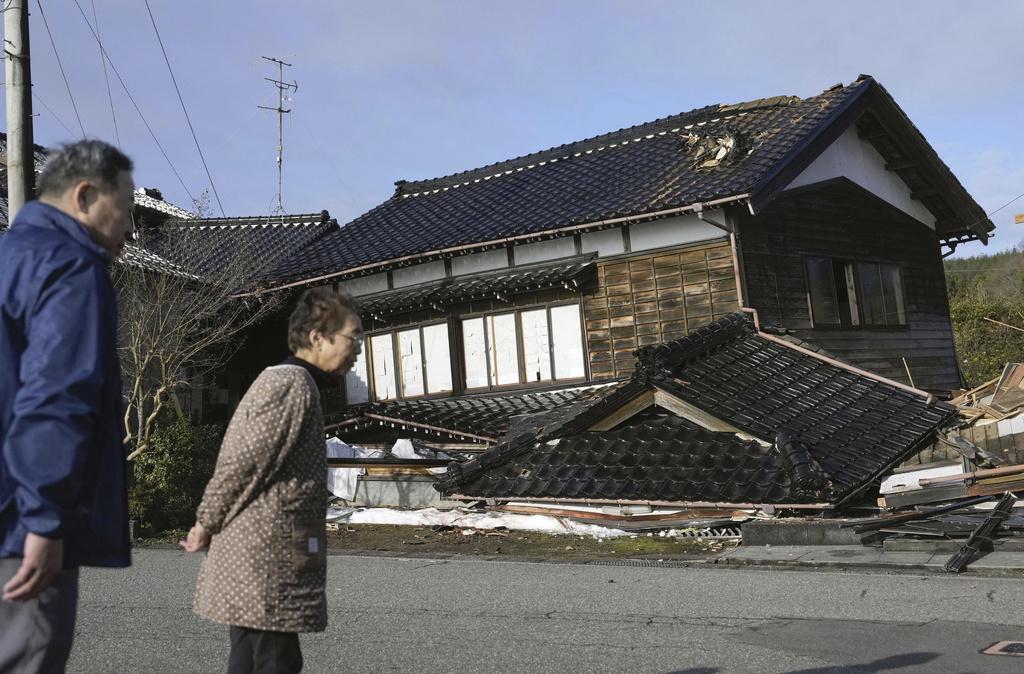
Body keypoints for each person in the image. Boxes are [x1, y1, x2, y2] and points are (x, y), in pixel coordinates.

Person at [0, 140, 136, 672]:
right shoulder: (72, 266)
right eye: (125, 209)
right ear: (84, 196)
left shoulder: (9, 257)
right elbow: (56, 395)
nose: (129, 229)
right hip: (22, 521)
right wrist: (45, 521)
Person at [181, 288, 363, 674]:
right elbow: (242, 462)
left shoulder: (293, 382)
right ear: (317, 337)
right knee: (274, 661)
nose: (359, 348)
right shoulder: (290, 385)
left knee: (253, 658)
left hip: (264, 552)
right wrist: (205, 521)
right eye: (353, 337)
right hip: (267, 555)